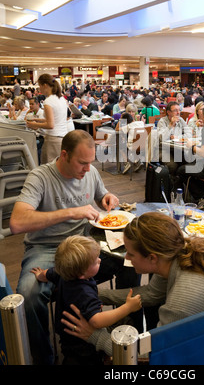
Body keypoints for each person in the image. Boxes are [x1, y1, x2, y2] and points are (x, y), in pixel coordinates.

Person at [61, 212, 204, 357]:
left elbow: (152, 354)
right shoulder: (184, 251)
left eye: (130, 253)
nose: (127, 258)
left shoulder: (180, 302)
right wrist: (96, 295)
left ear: (152, 258)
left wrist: (96, 336)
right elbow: (151, 293)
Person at [9, 130, 120, 365]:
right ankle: (44, 358)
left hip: (85, 242)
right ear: (64, 155)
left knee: (128, 260)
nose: (88, 169)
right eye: (82, 163)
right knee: (29, 295)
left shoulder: (90, 171)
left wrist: (108, 197)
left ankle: (119, 340)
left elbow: (101, 197)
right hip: (47, 247)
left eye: (91, 162)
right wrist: (71, 212)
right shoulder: (40, 177)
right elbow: (17, 222)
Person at [30, 235, 141, 365]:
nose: (100, 260)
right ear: (82, 274)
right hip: (83, 343)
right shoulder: (84, 293)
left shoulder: (64, 272)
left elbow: (47, 274)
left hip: (67, 337)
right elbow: (96, 321)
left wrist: (39, 275)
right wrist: (127, 307)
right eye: (95, 261)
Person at [26, 73, 69, 164]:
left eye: (40, 86)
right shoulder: (61, 99)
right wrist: (38, 120)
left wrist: (34, 124)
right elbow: (55, 119)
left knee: (50, 169)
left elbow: (50, 124)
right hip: (62, 138)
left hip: (53, 139)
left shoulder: (48, 101)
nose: (39, 89)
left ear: (45, 85)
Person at [156, 101, 188, 175]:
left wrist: (178, 137)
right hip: (163, 149)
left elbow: (189, 134)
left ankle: (180, 182)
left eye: (179, 110)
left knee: (188, 162)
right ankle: (169, 184)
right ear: (168, 112)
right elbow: (162, 138)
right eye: (175, 110)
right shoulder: (162, 121)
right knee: (172, 166)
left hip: (177, 149)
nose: (178, 112)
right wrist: (171, 125)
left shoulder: (181, 120)